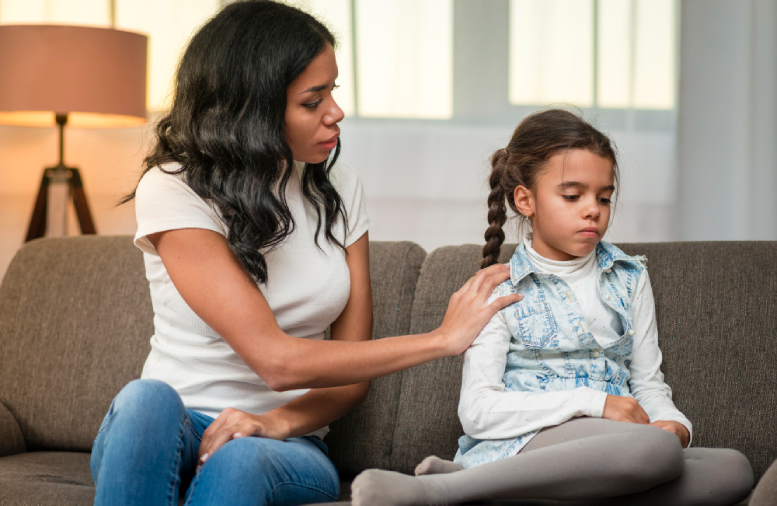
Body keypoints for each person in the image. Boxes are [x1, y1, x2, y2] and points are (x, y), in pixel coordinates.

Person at [88, 2, 519, 505]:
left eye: (332, 91)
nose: (335, 112)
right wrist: (441, 339)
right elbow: (276, 361)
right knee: (144, 401)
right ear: (251, 110)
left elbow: (349, 382)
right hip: (169, 432)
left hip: (286, 443)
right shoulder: (173, 187)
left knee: (241, 458)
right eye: (313, 101)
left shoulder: (340, 188)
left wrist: (273, 422)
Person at [350, 109, 754, 506]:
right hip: (533, 442)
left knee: (731, 469)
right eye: (572, 196)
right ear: (525, 200)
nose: (593, 209)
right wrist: (595, 404)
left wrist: (676, 428)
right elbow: (477, 411)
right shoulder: (499, 288)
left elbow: (647, 384)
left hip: (624, 448)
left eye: (604, 197)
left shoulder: (630, 277)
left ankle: (501, 489)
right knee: (652, 452)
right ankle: (438, 492)